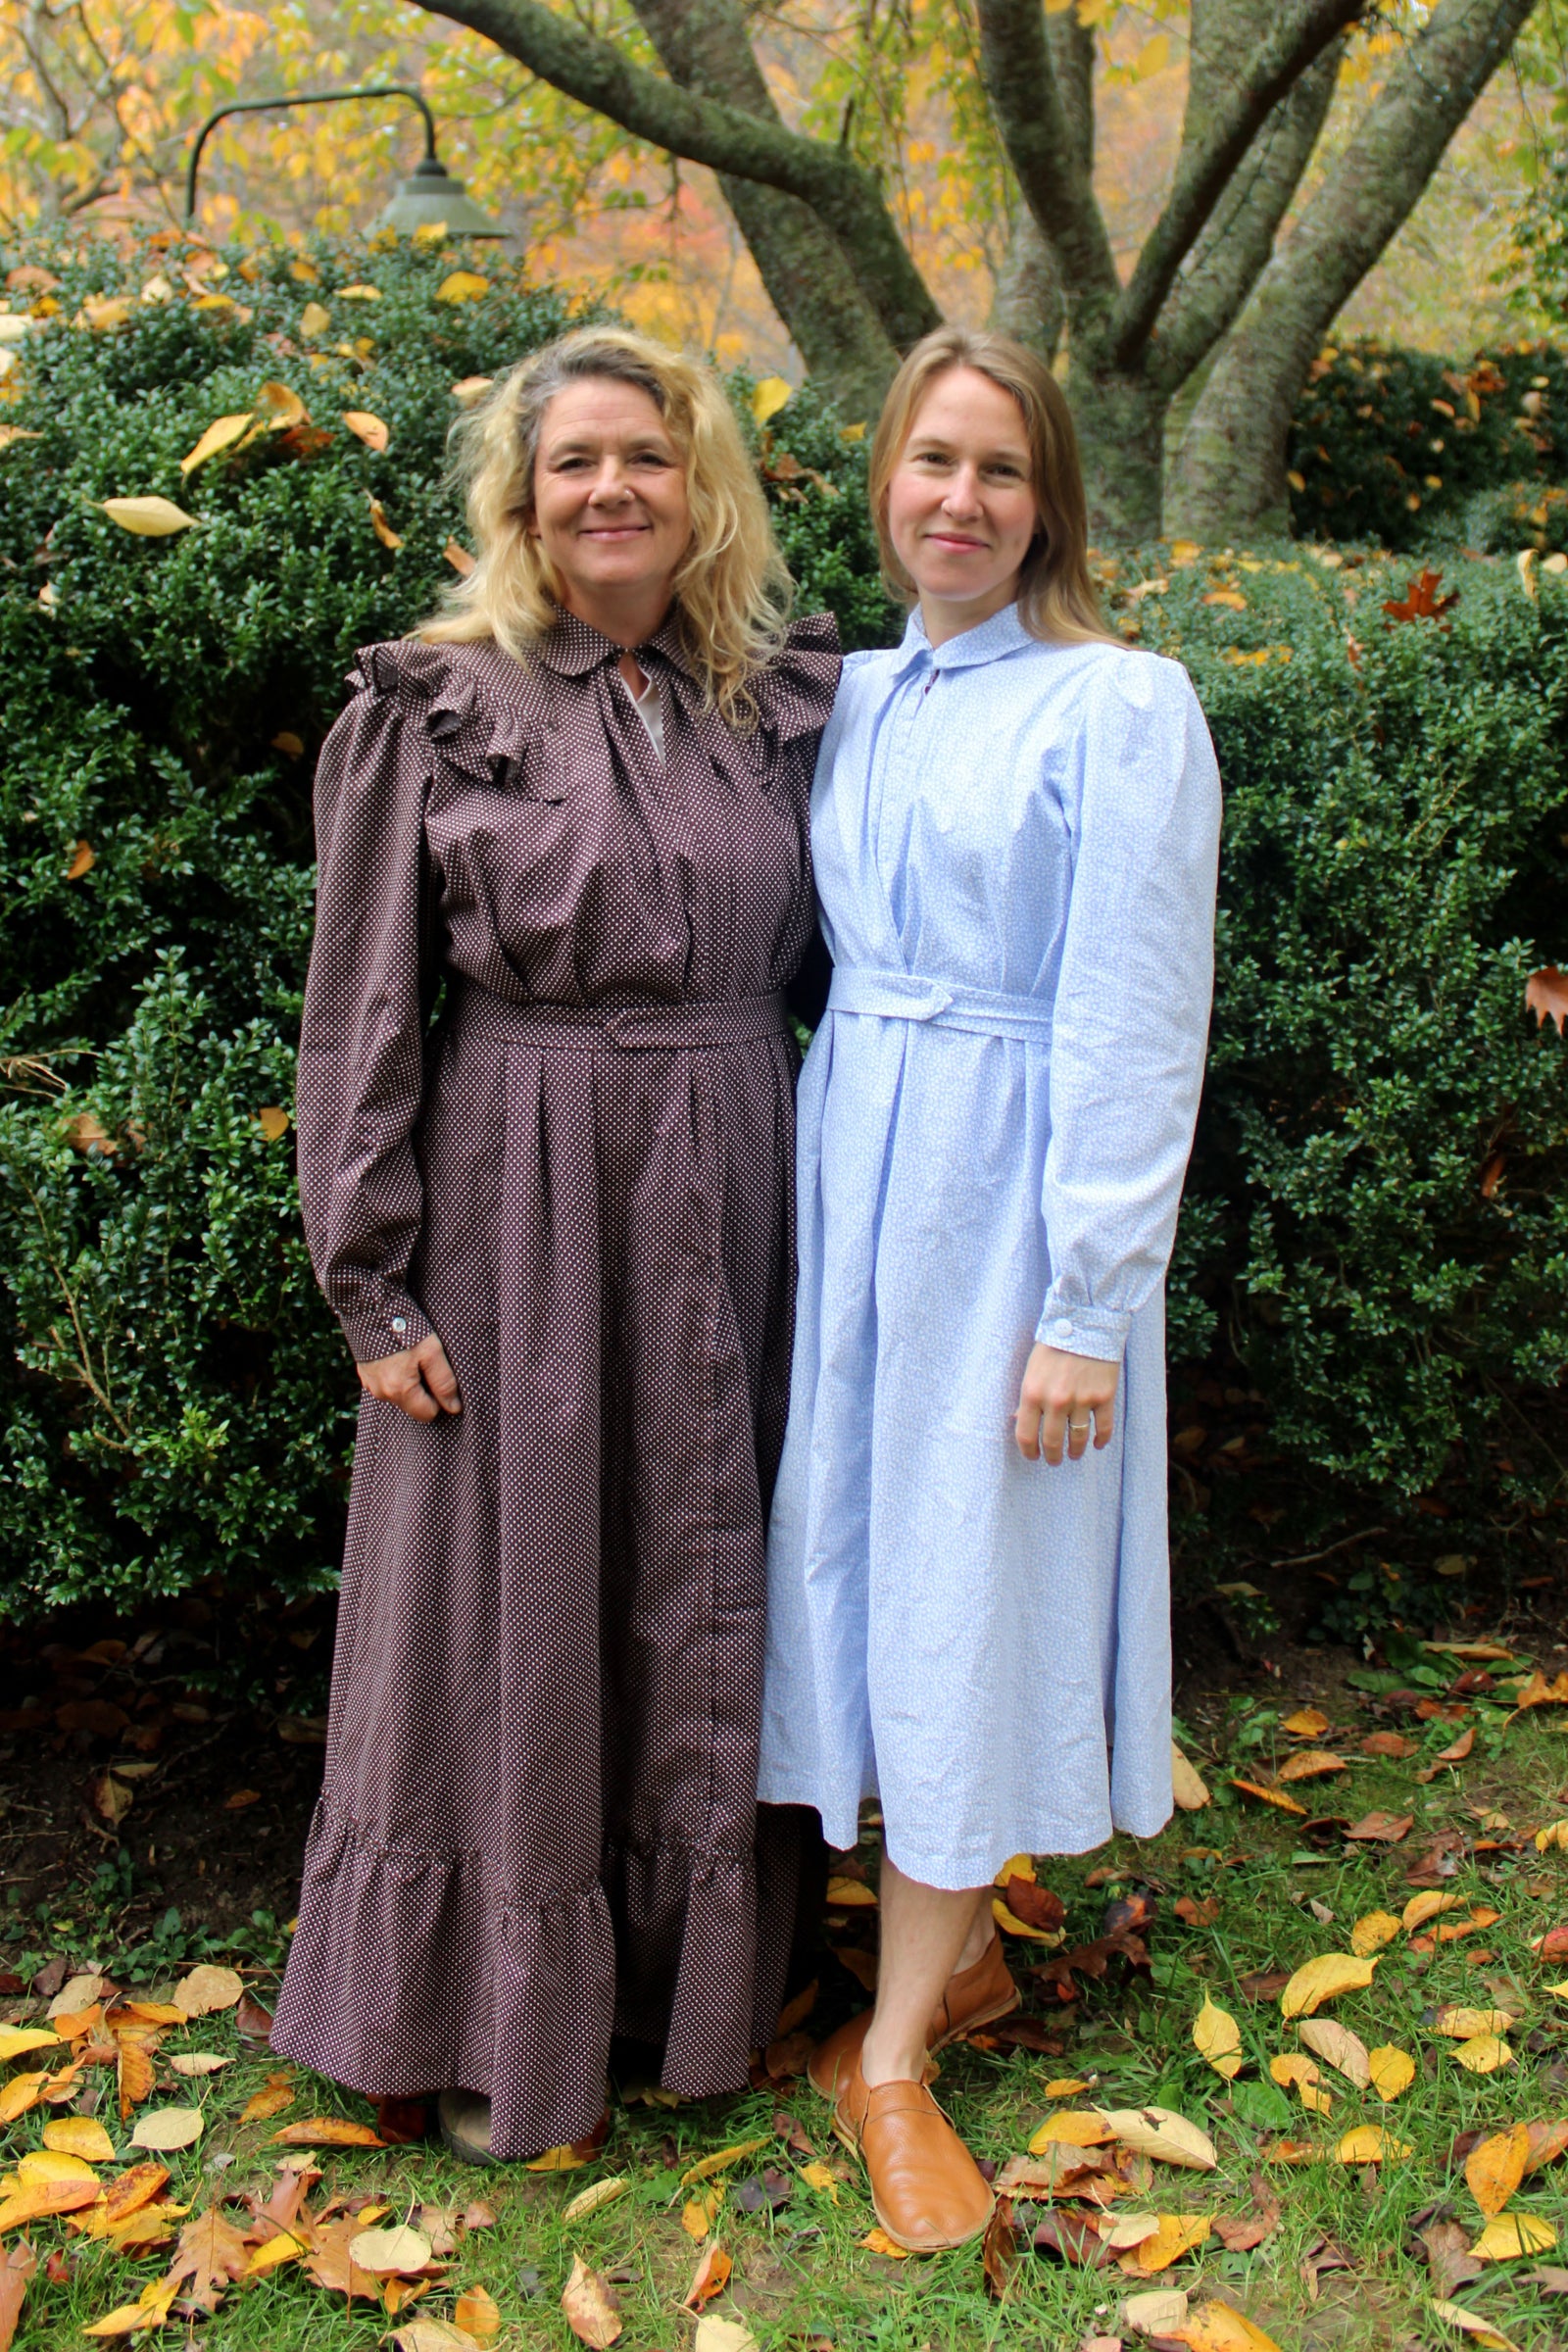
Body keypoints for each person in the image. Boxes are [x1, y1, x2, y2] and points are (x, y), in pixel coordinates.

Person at [269, 325, 840, 2164]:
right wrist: (370, 1280)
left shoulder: (784, 698)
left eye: (647, 459)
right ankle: (466, 2013)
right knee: (503, 1598)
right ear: (522, 496)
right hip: (522, 1185)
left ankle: (698, 2001)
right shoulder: (437, 700)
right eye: (575, 461)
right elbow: (360, 1008)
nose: (612, 490)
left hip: (745, 1176)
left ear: (704, 488)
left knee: (703, 1574)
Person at [759, 325, 1221, 2252]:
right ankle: (946, 1959)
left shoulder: (1117, 707)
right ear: (880, 479)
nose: (957, 500)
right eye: (929, 461)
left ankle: (887, 2058)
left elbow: (1133, 1016)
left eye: (998, 472)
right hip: (849, 1164)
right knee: (860, 1568)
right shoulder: (843, 694)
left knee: (965, 1587)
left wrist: (1081, 1305)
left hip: (1008, 1202)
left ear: (1050, 508)